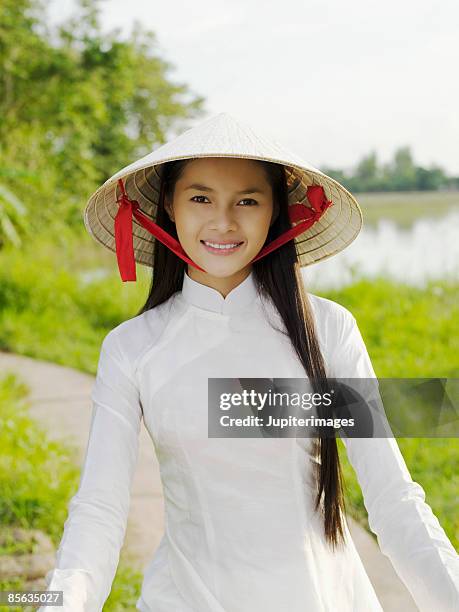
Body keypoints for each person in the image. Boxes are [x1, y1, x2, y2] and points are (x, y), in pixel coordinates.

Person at [39, 113, 459, 611]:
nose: (223, 221)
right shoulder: (133, 348)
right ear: (168, 206)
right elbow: (100, 511)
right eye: (200, 198)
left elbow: (393, 500)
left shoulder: (327, 331)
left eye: (248, 201)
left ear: (275, 213)